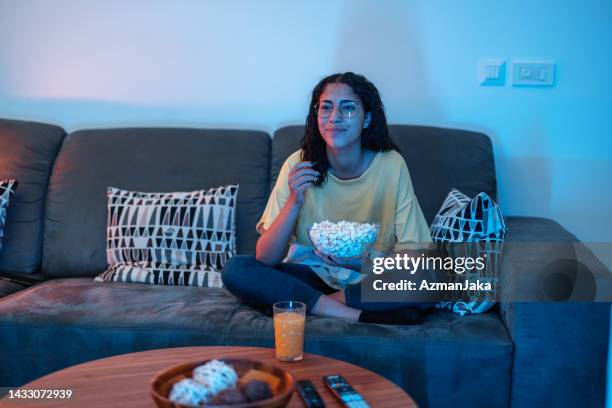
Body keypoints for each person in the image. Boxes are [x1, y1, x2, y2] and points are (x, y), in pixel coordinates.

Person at [222, 72, 434, 324]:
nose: (335, 117)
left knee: (429, 279)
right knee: (237, 269)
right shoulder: (298, 165)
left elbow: (416, 258)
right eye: (326, 108)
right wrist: (295, 201)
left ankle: (309, 304)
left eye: (348, 108)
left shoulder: (390, 165)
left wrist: (361, 263)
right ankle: (355, 315)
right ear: (317, 115)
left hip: (368, 280)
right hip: (309, 276)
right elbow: (266, 258)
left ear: (366, 118)